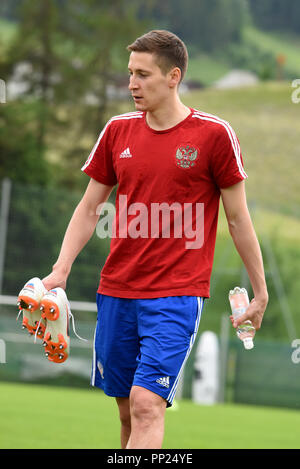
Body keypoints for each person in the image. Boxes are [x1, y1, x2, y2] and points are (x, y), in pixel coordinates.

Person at [42, 30, 268, 449]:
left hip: (176, 295)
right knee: (127, 409)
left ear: (173, 77)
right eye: (130, 73)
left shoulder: (214, 135)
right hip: (117, 291)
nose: (132, 84)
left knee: (148, 404)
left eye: (143, 75)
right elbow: (90, 207)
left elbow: (238, 220)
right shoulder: (117, 131)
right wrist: (61, 269)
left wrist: (260, 291)